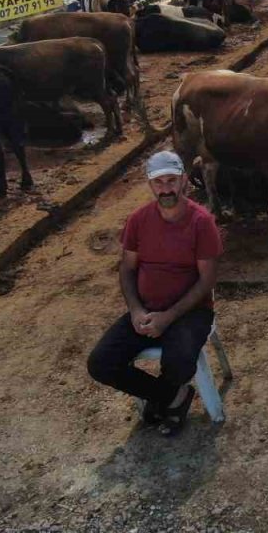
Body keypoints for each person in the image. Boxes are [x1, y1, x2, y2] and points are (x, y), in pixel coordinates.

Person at [87, 151, 222, 434]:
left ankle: (164, 396)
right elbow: (126, 269)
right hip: (147, 308)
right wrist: (136, 310)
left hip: (190, 312)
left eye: (172, 180)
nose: (166, 189)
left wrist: (168, 317)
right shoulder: (138, 220)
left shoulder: (201, 222)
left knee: (179, 363)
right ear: (150, 185)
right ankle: (172, 396)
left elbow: (207, 279)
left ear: (184, 180)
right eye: (158, 183)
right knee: (100, 364)